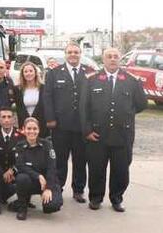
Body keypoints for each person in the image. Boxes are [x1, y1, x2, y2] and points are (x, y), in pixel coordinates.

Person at [81, 47, 147, 212]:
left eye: (115, 56)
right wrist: (87, 130)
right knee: (96, 168)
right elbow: (84, 108)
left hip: (122, 135)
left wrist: (126, 113)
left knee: (121, 170)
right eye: (109, 57)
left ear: (120, 59)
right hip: (97, 134)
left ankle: (117, 199)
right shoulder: (91, 79)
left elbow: (141, 104)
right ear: (103, 60)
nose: (112, 59)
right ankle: (96, 198)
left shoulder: (131, 80)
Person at [44, 42, 91, 203]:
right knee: (60, 160)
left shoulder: (88, 73)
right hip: (60, 126)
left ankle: (78, 190)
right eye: (70, 52)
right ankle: (58, 188)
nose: (73, 55)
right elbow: (47, 97)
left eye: (76, 52)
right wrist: (50, 119)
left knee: (80, 160)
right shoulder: (54, 73)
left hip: (81, 126)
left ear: (80, 54)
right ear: (65, 54)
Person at [12, 117, 63, 220]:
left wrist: (48, 187)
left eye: (35, 129)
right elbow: (21, 166)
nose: (32, 131)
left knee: (52, 207)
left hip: (47, 181)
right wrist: (38, 176)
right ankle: (22, 207)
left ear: (39, 130)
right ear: (23, 129)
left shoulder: (47, 145)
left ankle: (21, 202)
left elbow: (51, 167)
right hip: (31, 181)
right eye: (29, 128)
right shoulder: (20, 146)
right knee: (21, 178)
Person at [0, 107, 21, 206]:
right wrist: (0, 172)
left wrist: (13, 170)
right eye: (3, 117)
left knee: (24, 178)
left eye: (9, 117)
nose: (6, 120)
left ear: (14, 119)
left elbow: (24, 158)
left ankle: (23, 200)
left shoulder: (22, 136)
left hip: (14, 173)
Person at [14, 61, 47, 137]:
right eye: (25, 71)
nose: (28, 73)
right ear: (22, 74)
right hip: (24, 124)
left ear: (35, 73)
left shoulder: (44, 88)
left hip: (41, 124)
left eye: (31, 71)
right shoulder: (17, 89)